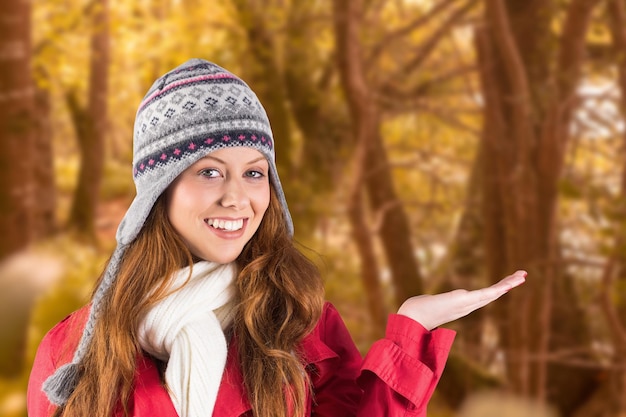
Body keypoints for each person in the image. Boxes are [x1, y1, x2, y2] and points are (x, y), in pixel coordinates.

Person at [27, 59, 526, 417]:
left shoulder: (300, 321)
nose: (237, 198)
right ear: (159, 192)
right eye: (208, 172)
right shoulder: (76, 350)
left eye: (254, 173)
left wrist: (412, 328)